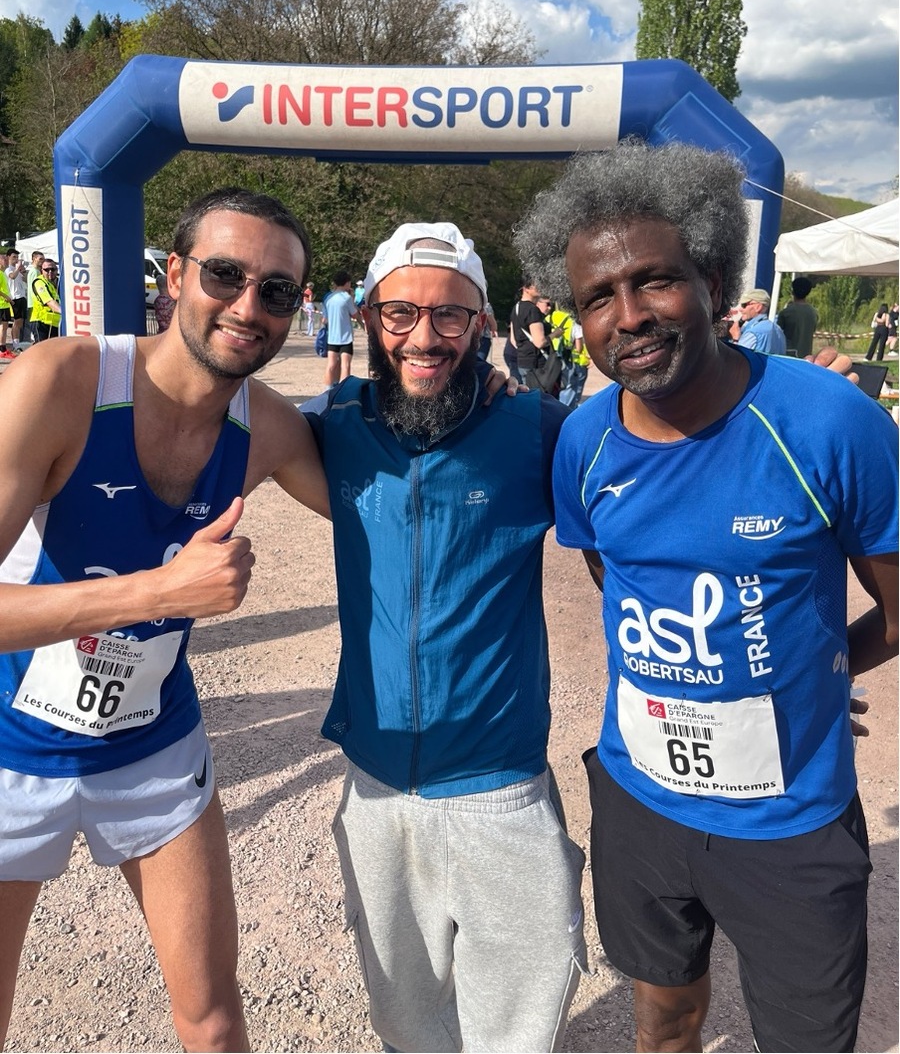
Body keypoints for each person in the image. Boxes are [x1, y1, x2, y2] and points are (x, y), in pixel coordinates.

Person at [514, 140, 898, 1054]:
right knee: (665, 1021)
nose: (629, 316)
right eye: (598, 297)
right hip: (640, 802)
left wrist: (821, 667)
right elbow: (615, 577)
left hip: (790, 822)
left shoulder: (831, 422)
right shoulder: (584, 443)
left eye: (655, 280)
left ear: (714, 281)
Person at [0, 187, 329, 1051]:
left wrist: (480, 396)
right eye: (225, 274)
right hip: (7, 747)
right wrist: (159, 594)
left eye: (276, 291)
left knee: (213, 1023)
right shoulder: (62, 382)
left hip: (151, 746)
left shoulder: (269, 430)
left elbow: (396, 503)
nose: (248, 306)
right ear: (175, 275)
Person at [303, 222, 586, 1054]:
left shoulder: (538, 428)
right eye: (400, 313)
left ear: (484, 324)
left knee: (517, 1029)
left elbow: (660, 472)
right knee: (404, 1022)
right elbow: (202, 414)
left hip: (501, 786)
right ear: (368, 317)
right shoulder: (334, 424)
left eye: (450, 315)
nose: (423, 337)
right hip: (376, 784)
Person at [321, 270, 358, 384]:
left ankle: (328, 389)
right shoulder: (346, 298)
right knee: (345, 365)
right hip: (346, 337)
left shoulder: (328, 298)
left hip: (332, 337)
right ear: (346, 283)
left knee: (331, 365)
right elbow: (354, 314)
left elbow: (324, 319)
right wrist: (352, 298)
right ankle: (343, 390)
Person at [729, 287, 787, 354]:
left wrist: (735, 339)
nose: (740, 309)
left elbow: (737, 357)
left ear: (758, 307)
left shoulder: (753, 333)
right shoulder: (779, 331)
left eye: (744, 305)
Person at [776, 275, 818, 356]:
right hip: (806, 355)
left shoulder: (786, 312)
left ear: (792, 291)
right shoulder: (813, 312)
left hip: (788, 354)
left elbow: (777, 333)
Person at [29, 259, 62, 342]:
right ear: (42, 271)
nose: (50, 272)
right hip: (41, 322)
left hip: (55, 323)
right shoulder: (39, 282)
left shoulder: (59, 282)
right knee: (42, 348)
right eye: (46, 270)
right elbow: (49, 302)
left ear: (57, 270)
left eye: (53, 269)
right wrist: (65, 313)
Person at [5, 249, 27, 352]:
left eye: (17, 257)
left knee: (20, 322)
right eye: (14, 257)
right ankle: (15, 344)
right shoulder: (8, 269)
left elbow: (25, 279)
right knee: (17, 321)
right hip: (15, 297)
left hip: (21, 296)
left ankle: (17, 343)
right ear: (8, 257)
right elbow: (12, 276)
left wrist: (23, 271)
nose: (16, 259)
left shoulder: (16, 269)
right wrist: (18, 268)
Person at [25, 252, 44, 344]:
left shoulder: (35, 271)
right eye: (40, 259)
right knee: (36, 327)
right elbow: (35, 287)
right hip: (34, 303)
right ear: (34, 259)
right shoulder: (34, 271)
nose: (42, 261)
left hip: (33, 302)